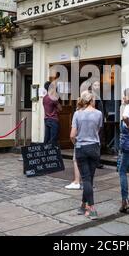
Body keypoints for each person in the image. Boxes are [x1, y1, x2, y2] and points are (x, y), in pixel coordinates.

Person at [70, 91, 103, 220]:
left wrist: (76, 143)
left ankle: (92, 208)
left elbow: (72, 135)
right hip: (94, 147)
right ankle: (83, 205)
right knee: (89, 178)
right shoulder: (99, 114)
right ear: (91, 101)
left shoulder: (77, 114)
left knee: (86, 179)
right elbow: (98, 130)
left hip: (81, 148)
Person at [65, 97, 83, 190]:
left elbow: (72, 135)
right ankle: (88, 182)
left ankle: (77, 181)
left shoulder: (77, 114)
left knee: (76, 160)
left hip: (80, 142)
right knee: (89, 162)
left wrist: (74, 143)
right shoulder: (97, 113)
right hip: (93, 143)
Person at [43, 81, 62, 146]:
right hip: (53, 119)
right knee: (54, 138)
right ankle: (53, 153)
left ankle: (44, 152)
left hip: (46, 119)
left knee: (46, 138)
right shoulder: (53, 98)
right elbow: (60, 109)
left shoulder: (44, 98)